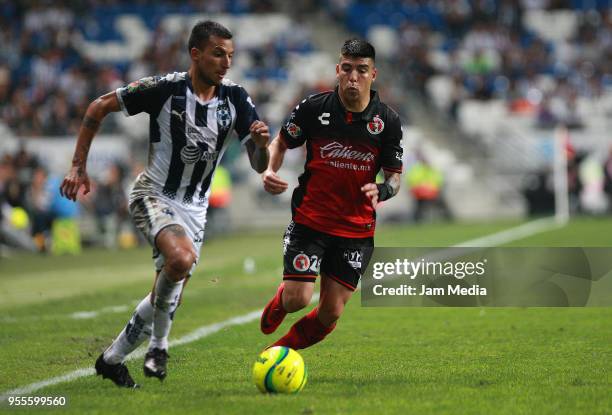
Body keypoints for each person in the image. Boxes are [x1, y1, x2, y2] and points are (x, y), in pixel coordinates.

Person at [59, 21, 270, 387]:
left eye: (231, 55)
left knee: (167, 294)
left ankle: (111, 359)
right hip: (153, 195)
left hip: (195, 209)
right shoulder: (163, 89)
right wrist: (78, 165)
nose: (226, 62)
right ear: (196, 54)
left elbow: (259, 165)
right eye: (218, 53)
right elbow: (97, 107)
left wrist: (262, 145)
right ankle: (159, 346)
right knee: (181, 259)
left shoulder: (236, 99)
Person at [259, 39, 403, 350]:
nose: (354, 77)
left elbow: (395, 177)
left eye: (362, 70)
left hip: (356, 229)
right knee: (298, 299)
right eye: (348, 69)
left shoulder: (388, 122)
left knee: (331, 312)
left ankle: (280, 353)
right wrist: (270, 170)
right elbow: (281, 142)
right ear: (338, 70)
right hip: (311, 221)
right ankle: (281, 303)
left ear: (373, 74)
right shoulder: (313, 109)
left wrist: (383, 189)